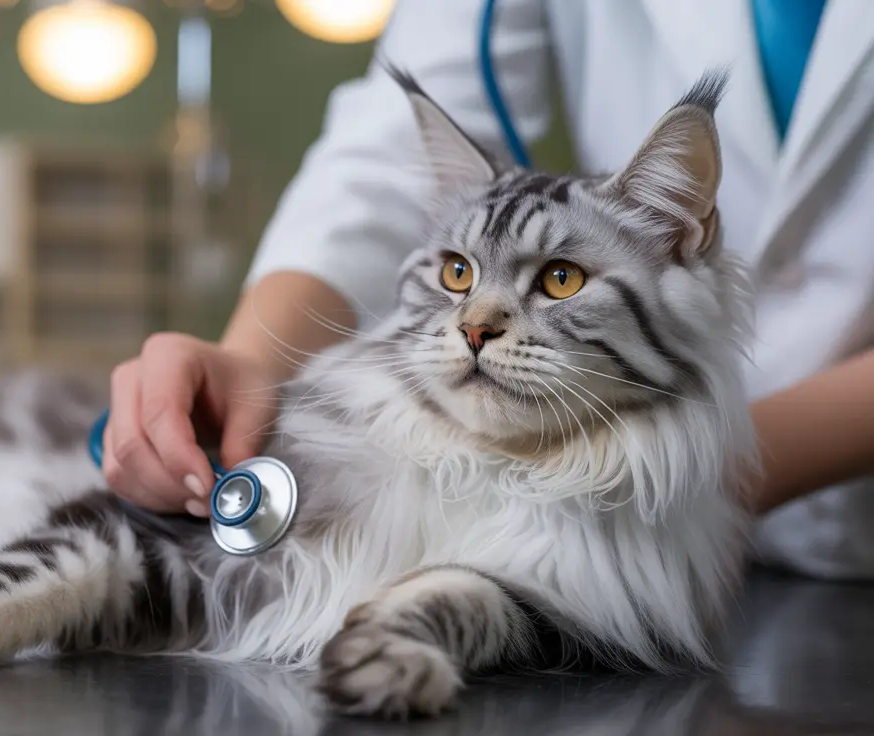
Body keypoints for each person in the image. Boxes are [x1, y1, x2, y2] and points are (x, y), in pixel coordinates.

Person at [100, 0, 874, 580]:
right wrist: (250, 366)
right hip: (596, 488)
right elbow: (400, 150)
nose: (476, 321)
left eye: (559, 276)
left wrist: (690, 472)